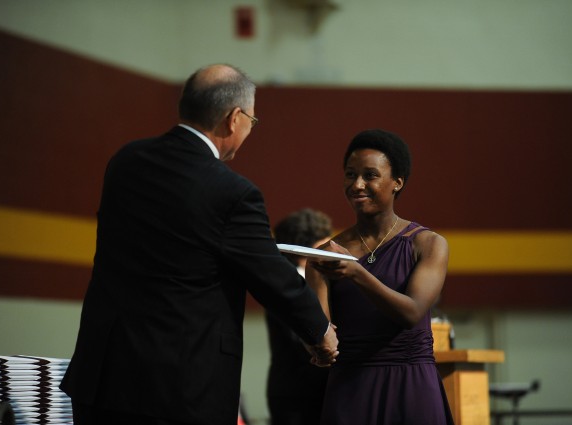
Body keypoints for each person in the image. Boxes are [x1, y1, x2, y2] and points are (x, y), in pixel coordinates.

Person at [59, 64, 338, 425]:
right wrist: (320, 331)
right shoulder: (232, 193)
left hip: (102, 378)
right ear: (234, 118)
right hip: (177, 389)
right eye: (252, 121)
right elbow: (271, 275)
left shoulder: (125, 162)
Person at [307, 129, 454, 425]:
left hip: (412, 386)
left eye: (370, 175)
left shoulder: (427, 244)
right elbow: (320, 332)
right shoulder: (325, 256)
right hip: (351, 388)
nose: (357, 184)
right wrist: (317, 346)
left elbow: (411, 312)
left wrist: (357, 273)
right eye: (350, 175)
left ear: (397, 182)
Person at [265, 208, 333, 425]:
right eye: (324, 245)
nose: (331, 250)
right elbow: (301, 338)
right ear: (308, 249)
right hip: (297, 395)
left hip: (314, 391)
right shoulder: (288, 284)